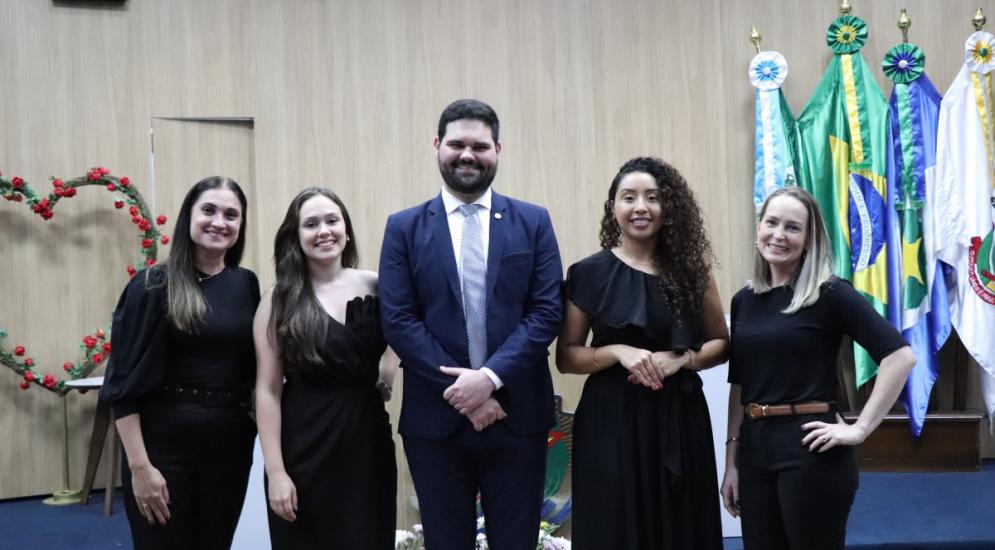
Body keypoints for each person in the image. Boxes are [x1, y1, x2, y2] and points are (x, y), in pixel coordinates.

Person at [379, 98, 563, 549]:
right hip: (435, 420)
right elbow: (399, 319)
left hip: (517, 417)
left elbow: (546, 312)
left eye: (479, 146)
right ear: (437, 146)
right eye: (456, 144)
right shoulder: (403, 228)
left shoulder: (533, 222)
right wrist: (465, 391)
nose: (467, 155)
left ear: (497, 150)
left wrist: (489, 378)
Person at [721, 186, 916, 550]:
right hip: (754, 450)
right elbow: (740, 386)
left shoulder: (830, 294)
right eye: (771, 223)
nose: (779, 234)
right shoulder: (744, 300)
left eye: (793, 227)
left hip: (810, 448)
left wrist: (860, 429)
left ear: (810, 240)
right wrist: (731, 462)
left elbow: (901, 357)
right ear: (759, 227)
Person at [556, 156, 729, 549]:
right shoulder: (589, 272)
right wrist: (617, 351)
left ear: (668, 206)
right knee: (614, 528)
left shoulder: (693, 271)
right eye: (629, 197)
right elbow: (566, 357)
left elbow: (720, 343)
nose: (641, 207)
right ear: (613, 207)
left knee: (682, 528)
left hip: (679, 417)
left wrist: (682, 359)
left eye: (653, 197)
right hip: (611, 421)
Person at [100, 176, 259, 549]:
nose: (219, 221)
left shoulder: (246, 284)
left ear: (241, 225)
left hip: (229, 445)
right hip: (163, 446)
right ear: (189, 216)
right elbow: (121, 385)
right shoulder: (151, 285)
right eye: (209, 210)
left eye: (231, 215)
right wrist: (140, 468)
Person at [254, 187, 397, 549]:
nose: (324, 231)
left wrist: (386, 373)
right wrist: (276, 472)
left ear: (346, 228)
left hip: (366, 442)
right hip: (303, 447)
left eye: (332, 220)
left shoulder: (376, 284)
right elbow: (267, 389)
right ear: (296, 236)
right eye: (311, 224)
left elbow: (406, 335)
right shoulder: (278, 300)